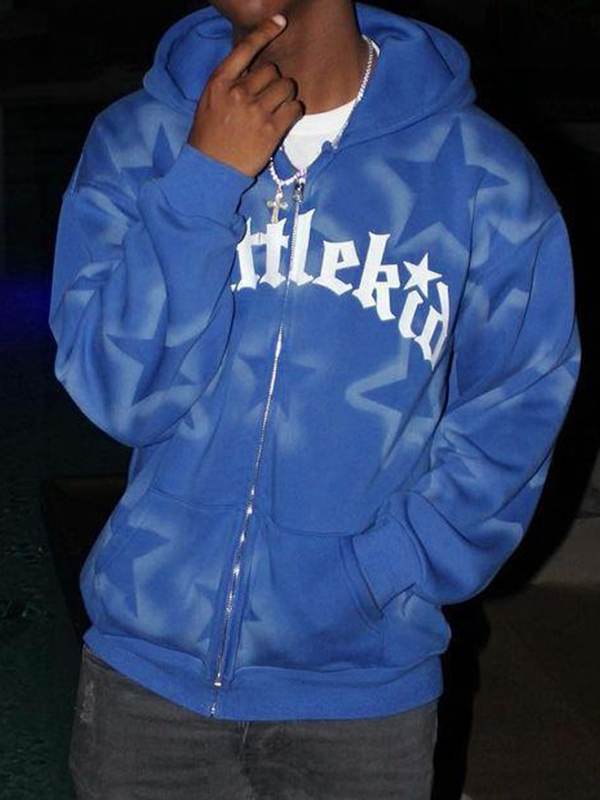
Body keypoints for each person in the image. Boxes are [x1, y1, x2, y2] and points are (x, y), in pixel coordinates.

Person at [48, 1, 582, 798]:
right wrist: (203, 181)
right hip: (147, 677)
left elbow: (520, 402)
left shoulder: (480, 172)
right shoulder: (139, 141)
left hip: (363, 691)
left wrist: (382, 571)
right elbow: (117, 394)